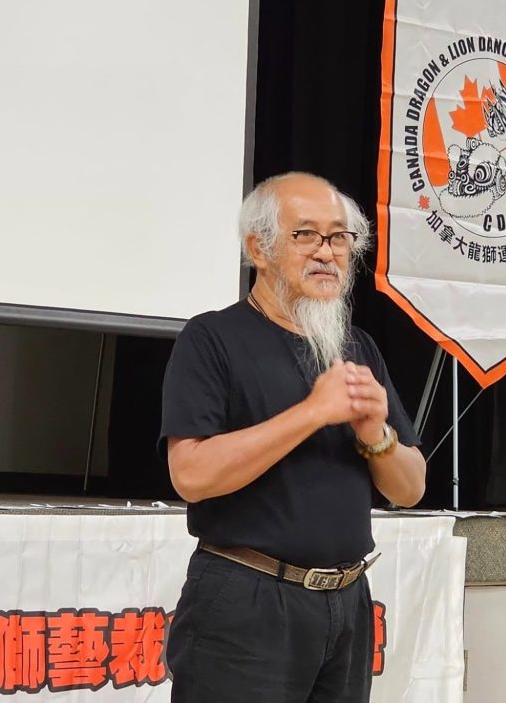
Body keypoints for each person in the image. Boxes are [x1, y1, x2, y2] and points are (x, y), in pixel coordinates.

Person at [159, 172, 427, 703]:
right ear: (258, 249)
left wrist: (376, 434)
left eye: (339, 237)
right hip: (248, 604)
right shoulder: (212, 338)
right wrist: (311, 413)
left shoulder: (357, 347)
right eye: (306, 235)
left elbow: (411, 488)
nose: (327, 252)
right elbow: (190, 475)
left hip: (348, 603)